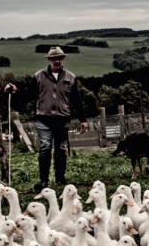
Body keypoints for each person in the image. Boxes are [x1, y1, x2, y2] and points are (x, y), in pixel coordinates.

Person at [5, 46, 89, 192]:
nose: (57, 61)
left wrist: (83, 119)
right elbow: (29, 94)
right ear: (49, 60)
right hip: (44, 119)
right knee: (45, 148)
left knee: (61, 149)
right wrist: (15, 91)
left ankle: (60, 178)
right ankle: (43, 180)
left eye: (59, 58)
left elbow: (76, 100)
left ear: (63, 59)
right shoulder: (39, 76)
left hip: (63, 119)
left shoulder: (70, 77)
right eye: (54, 58)